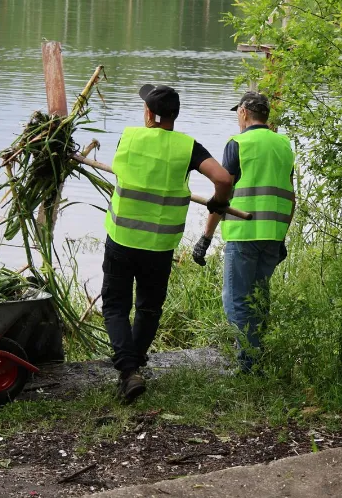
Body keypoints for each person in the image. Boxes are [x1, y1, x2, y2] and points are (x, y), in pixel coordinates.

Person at [103, 84, 234, 402]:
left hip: (122, 238)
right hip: (160, 245)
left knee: (115, 307)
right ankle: (134, 365)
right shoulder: (187, 148)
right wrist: (218, 203)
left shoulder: (129, 138)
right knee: (148, 307)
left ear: (148, 113)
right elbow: (224, 179)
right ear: (174, 116)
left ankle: (128, 369)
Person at [192, 92, 295, 373]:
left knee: (236, 299)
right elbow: (290, 196)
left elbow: (223, 192)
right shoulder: (284, 144)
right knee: (259, 298)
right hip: (272, 233)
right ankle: (257, 358)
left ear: (244, 112)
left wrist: (206, 237)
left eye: (237, 111)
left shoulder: (238, 143)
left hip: (243, 234)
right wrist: (282, 235)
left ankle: (249, 365)